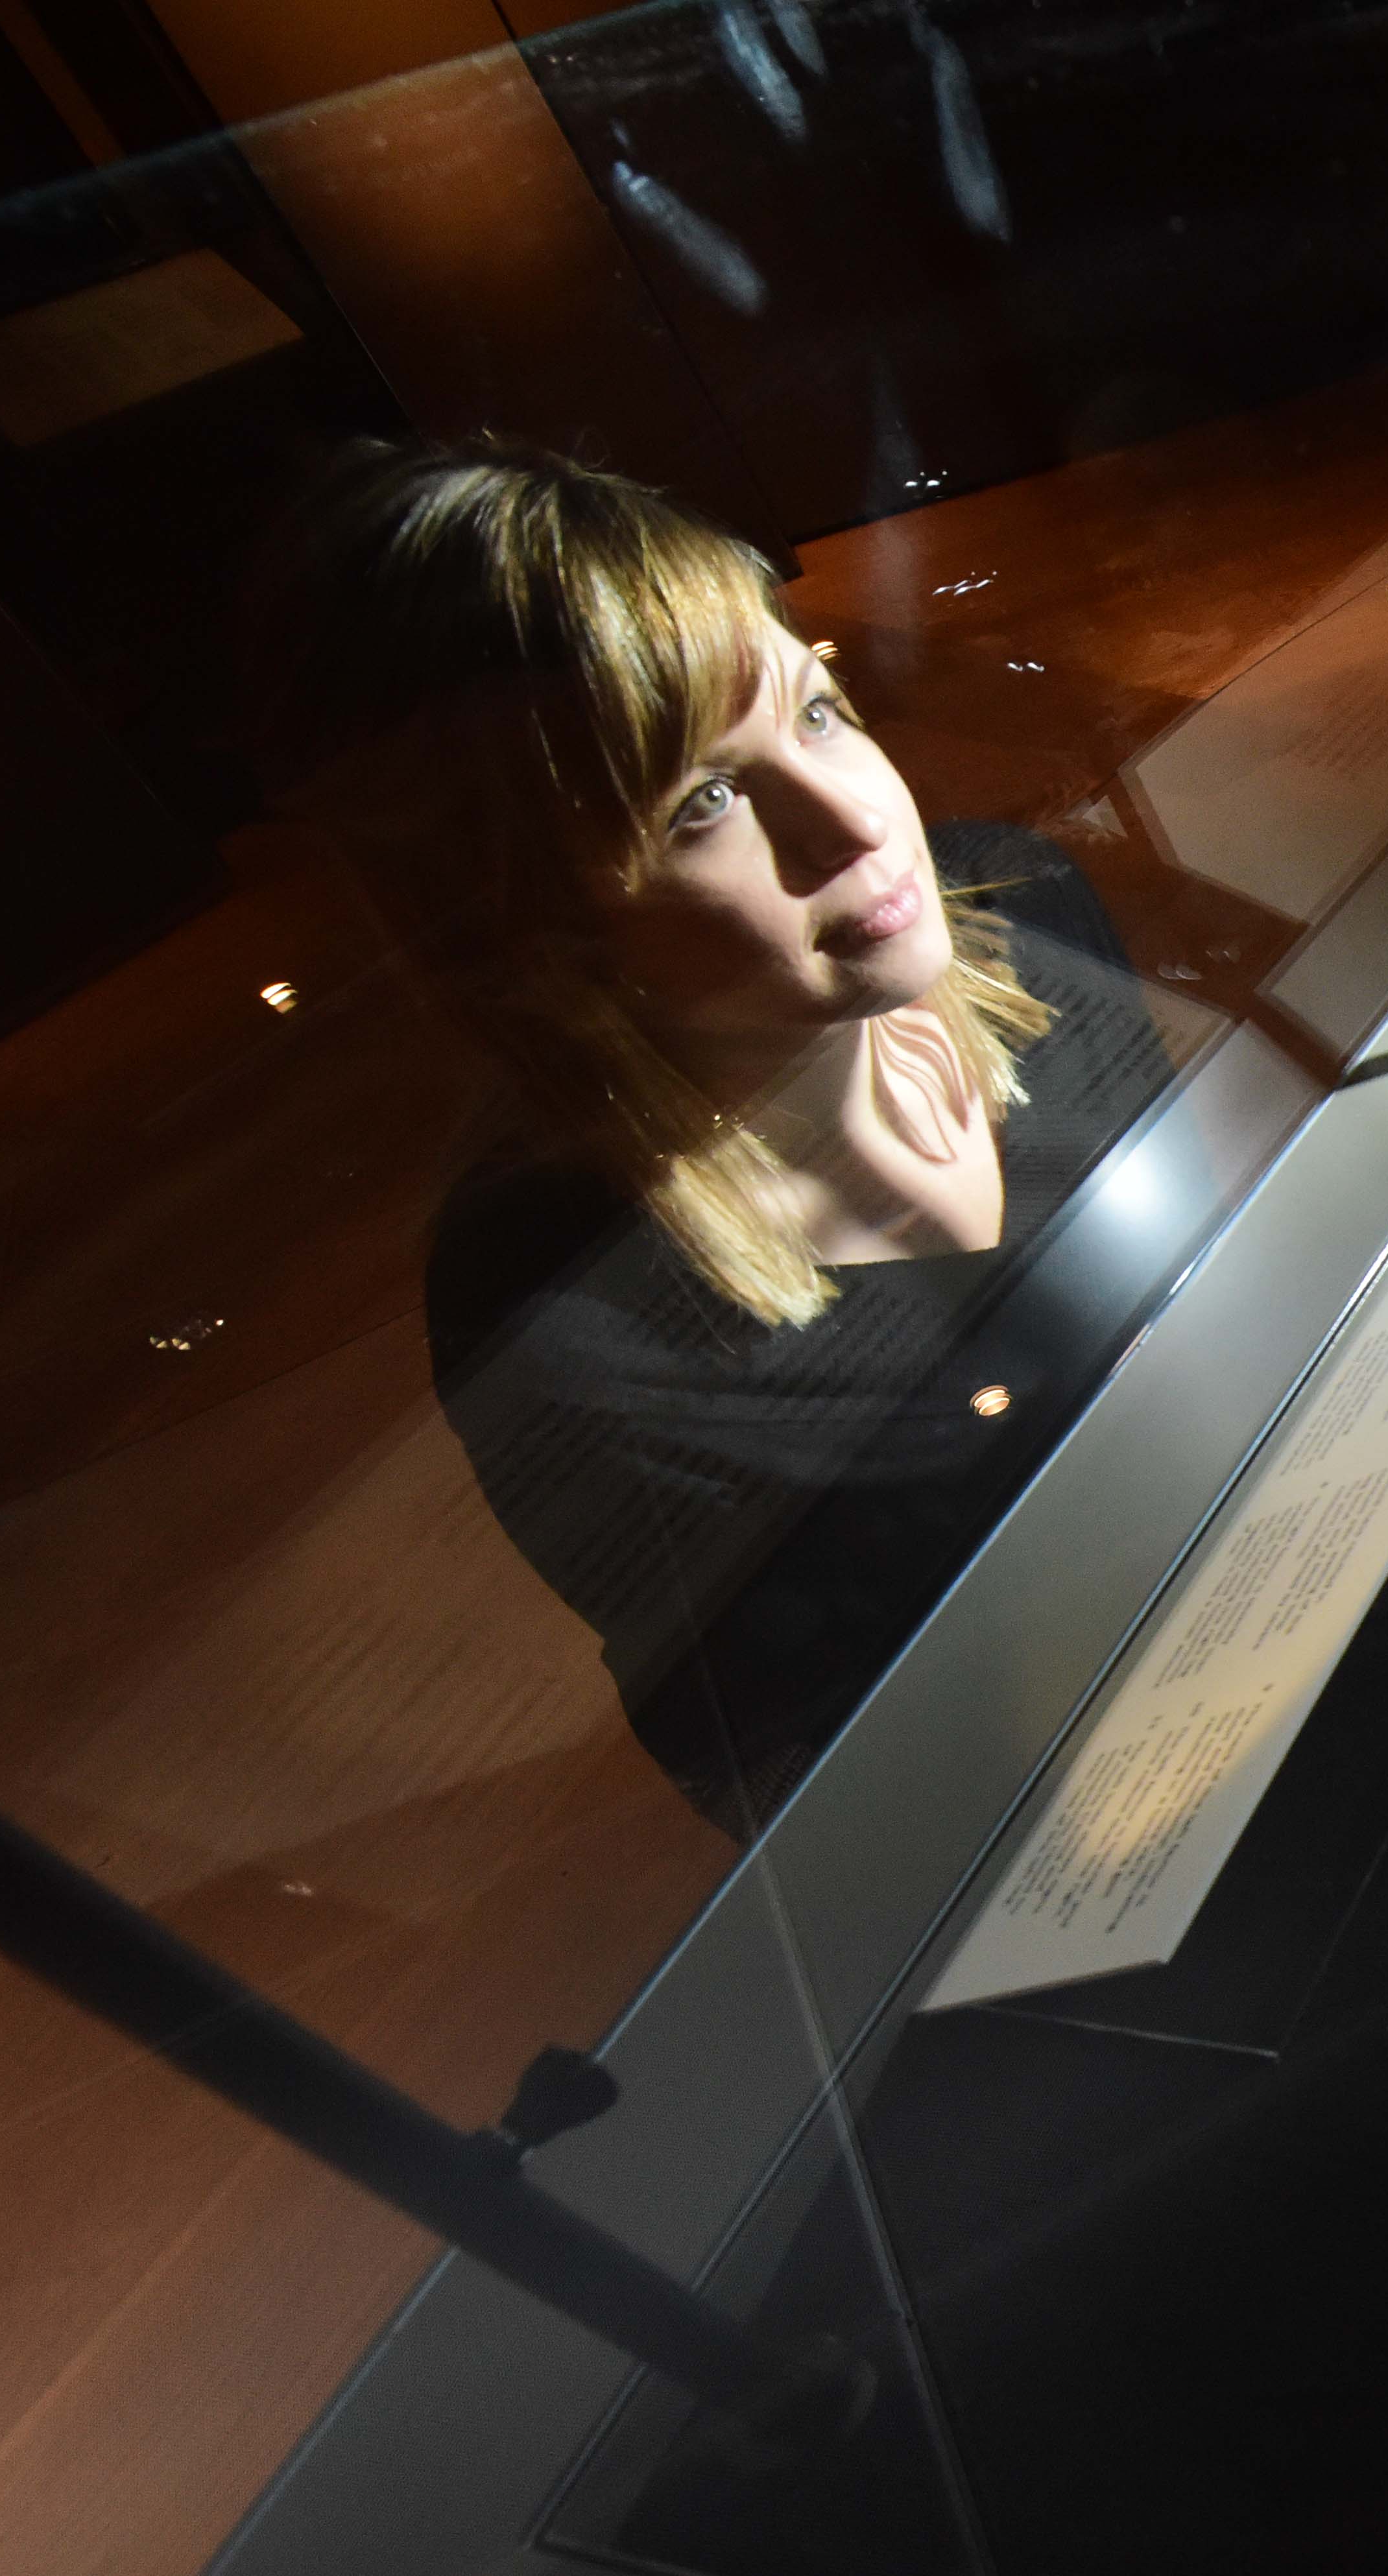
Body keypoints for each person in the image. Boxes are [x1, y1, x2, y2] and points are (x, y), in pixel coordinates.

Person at [252, 438, 1170, 1834]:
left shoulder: (1030, 925)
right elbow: (815, 1792)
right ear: (531, 926)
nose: (859, 820)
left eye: (818, 710)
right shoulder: (570, 1315)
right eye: (705, 802)